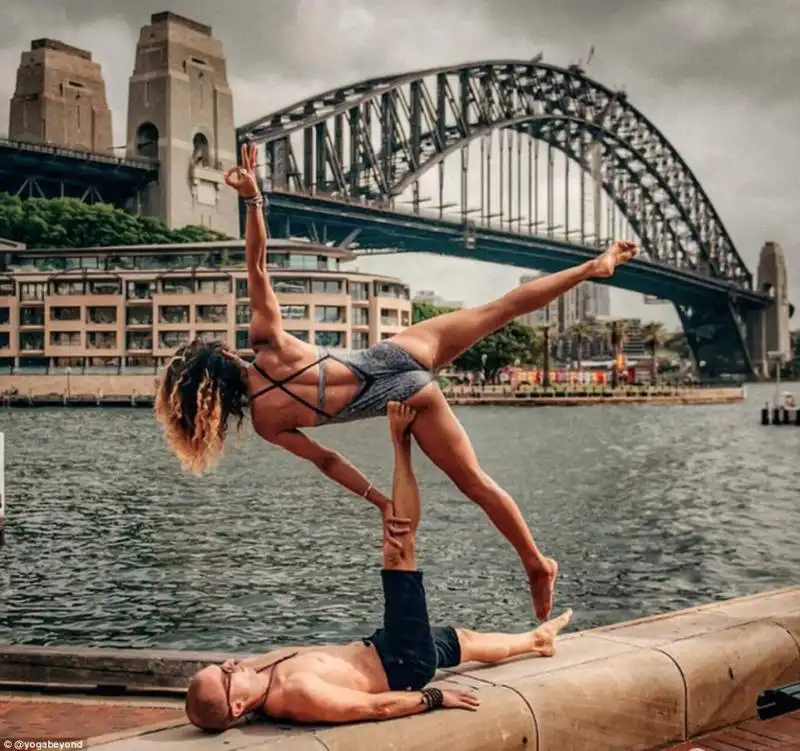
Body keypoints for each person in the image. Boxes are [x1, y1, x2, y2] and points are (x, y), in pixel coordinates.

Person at [155, 142, 637, 621]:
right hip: (397, 353)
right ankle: (592, 268)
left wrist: (380, 500)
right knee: (501, 308)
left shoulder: (266, 422)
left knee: (474, 482)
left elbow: (328, 460)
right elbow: (256, 264)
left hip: (409, 398)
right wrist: (254, 198)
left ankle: (536, 563)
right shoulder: (267, 343)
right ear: (221, 355)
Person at [184, 402, 573, 730]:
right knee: (398, 549)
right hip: (402, 662)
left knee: (463, 641)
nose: (233, 665)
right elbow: (373, 708)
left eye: (224, 665)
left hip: (384, 646)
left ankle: (536, 641)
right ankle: (400, 440)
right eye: (226, 675)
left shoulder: (253, 674)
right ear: (238, 707)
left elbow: (326, 460)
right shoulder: (294, 695)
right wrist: (436, 697)